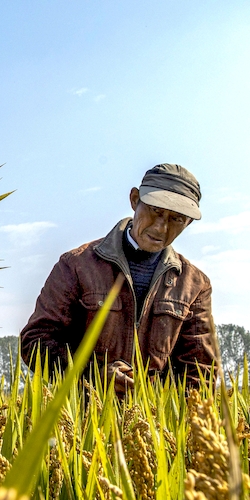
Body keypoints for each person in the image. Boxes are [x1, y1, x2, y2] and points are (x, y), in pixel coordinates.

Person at [20, 163, 218, 393]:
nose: (161, 227)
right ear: (135, 199)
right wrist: (93, 376)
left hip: (155, 422)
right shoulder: (76, 265)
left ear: (189, 223)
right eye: (156, 211)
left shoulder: (195, 285)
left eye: (177, 219)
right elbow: (35, 341)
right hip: (82, 420)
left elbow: (199, 371)